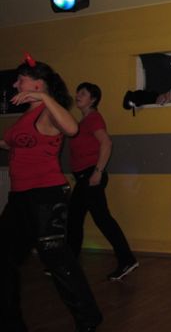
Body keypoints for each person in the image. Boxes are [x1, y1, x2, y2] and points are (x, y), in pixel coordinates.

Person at [0, 56, 102, 332]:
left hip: (45, 196)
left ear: (38, 84)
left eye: (21, 79)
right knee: (4, 257)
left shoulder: (47, 111)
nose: (15, 84)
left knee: (55, 258)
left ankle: (88, 318)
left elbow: (72, 128)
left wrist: (44, 97)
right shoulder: (26, 117)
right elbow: (11, 143)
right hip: (20, 197)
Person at [67, 82, 138, 281]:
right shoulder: (82, 122)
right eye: (78, 92)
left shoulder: (93, 118)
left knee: (101, 219)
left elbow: (106, 143)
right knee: (75, 219)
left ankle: (127, 259)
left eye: (83, 93)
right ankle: (68, 263)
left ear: (93, 99)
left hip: (91, 176)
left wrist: (97, 172)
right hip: (84, 177)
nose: (78, 95)